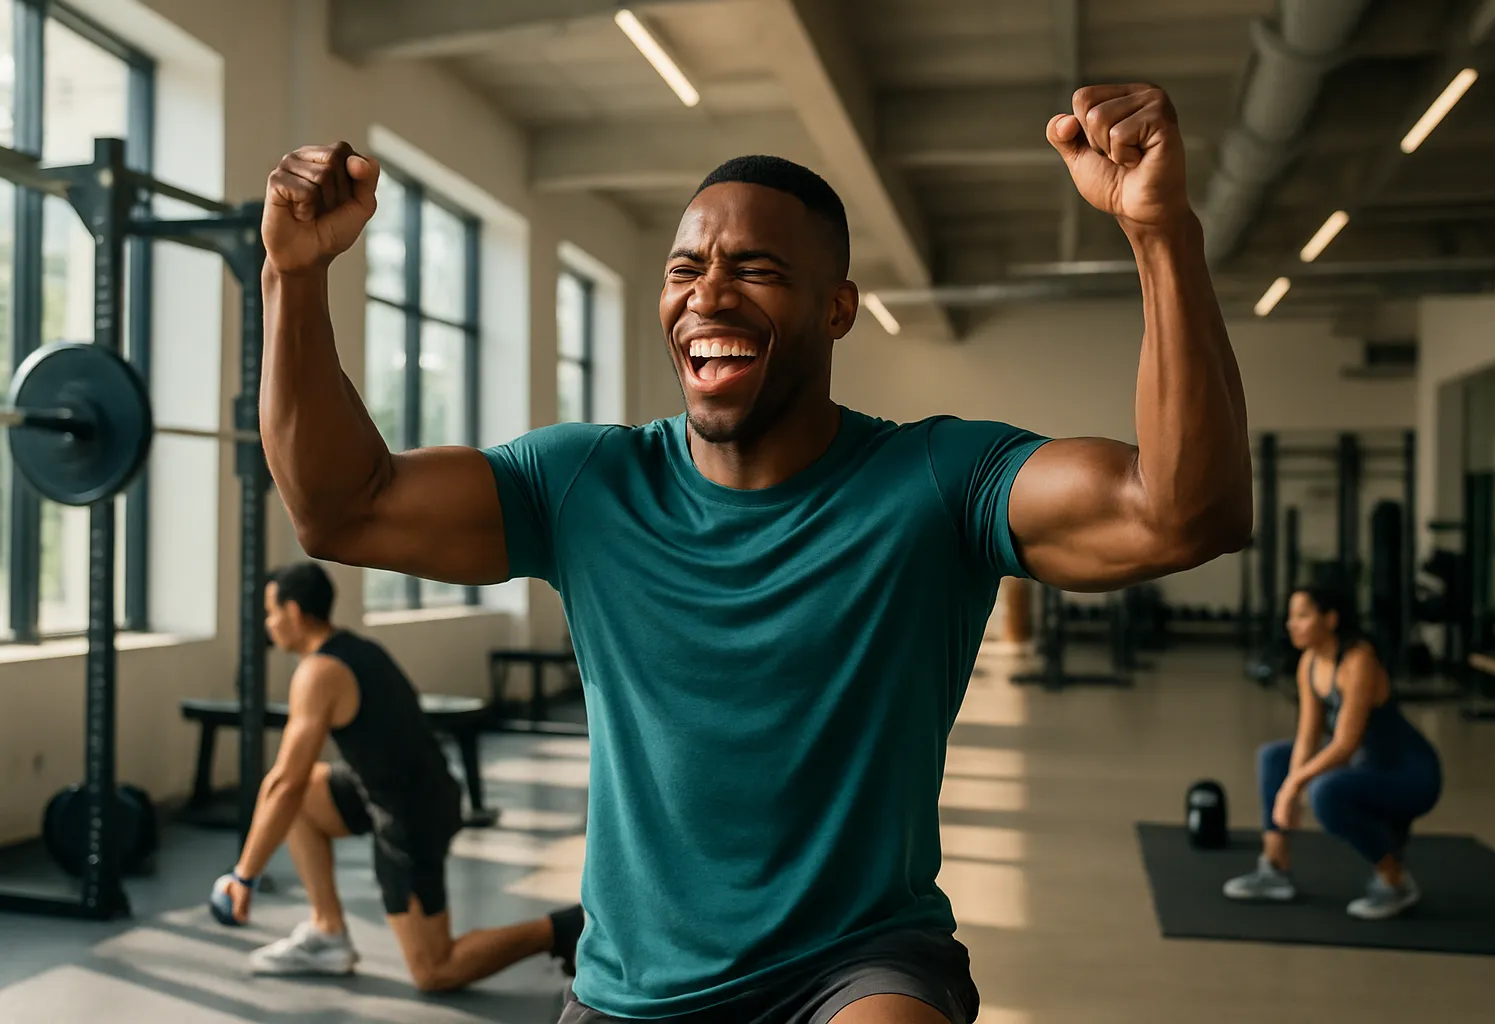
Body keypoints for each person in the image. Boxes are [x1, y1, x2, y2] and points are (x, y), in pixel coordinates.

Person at [259, 83, 1251, 1023]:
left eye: (757, 269)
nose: (710, 294)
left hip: (858, 961)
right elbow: (345, 510)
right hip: (633, 987)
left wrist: (1160, 232)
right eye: (684, 269)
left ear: (837, 309)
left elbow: (1180, 514)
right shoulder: (587, 484)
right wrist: (293, 278)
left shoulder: (938, 482)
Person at [214, 561, 584, 989]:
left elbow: (285, 784)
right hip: (389, 787)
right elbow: (287, 782)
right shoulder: (355, 648)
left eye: (271, 612)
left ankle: (561, 928)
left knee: (434, 969)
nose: (268, 624)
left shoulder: (318, 673)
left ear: (294, 612)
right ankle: (327, 932)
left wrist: (243, 876)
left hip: (413, 814)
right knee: (304, 790)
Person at [1223, 585, 1443, 920]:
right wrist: (1289, 788)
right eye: (1291, 616)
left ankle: (1395, 880)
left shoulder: (1358, 661)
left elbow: (1345, 744)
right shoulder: (1310, 662)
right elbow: (1307, 737)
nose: (1291, 624)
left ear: (1330, 619)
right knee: (1274, 757)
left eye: (1302, 615)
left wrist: (1293, 786)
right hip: (1363, 763)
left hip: (1409, 773)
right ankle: (1274, 867)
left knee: (1325, 792)